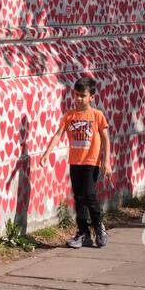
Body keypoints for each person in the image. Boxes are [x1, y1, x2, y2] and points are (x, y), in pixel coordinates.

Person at [42, 77, 112, 248]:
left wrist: (106, 161)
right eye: (76, 95)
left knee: (89, 195)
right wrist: (46, 153)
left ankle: (99, 227)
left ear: (92, 97)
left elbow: (106, 140)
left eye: (83, 95)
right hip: (75, 163)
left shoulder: (97, 115)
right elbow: (58, 134)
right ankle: (83, 233)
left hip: (91, 162)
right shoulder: (70, 116)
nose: (79, 99)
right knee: (79, 198)